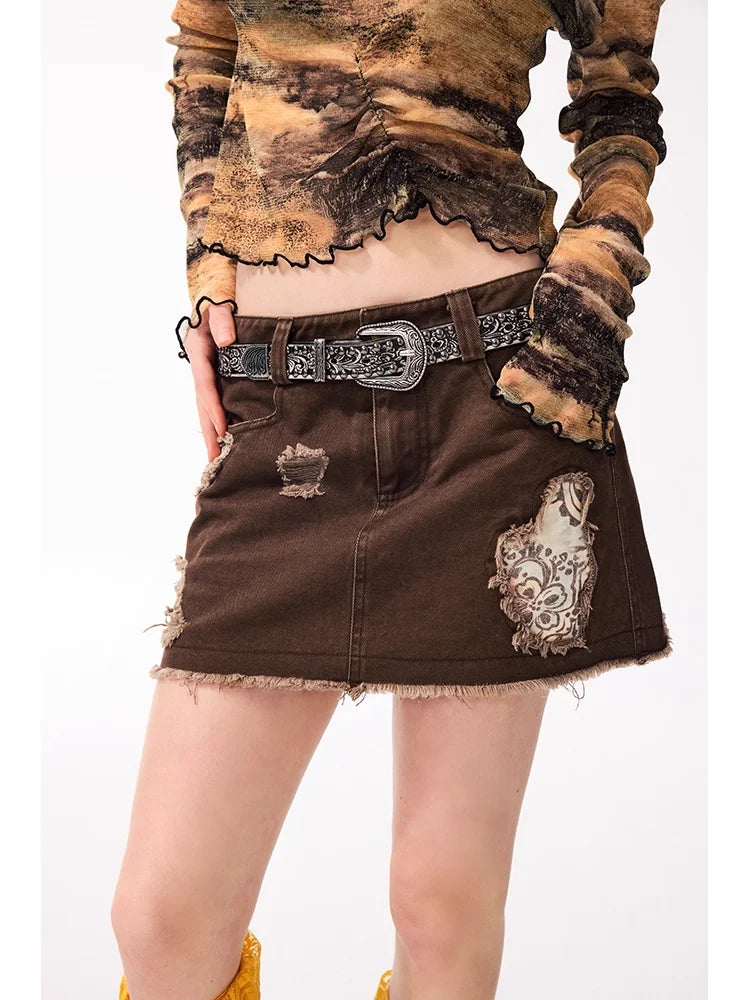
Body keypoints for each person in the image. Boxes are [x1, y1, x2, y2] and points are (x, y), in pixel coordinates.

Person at [111, 2, 672, 998]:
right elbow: (208, 48)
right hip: (281, 402)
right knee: (161, 917)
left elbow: (620, 101)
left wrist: (589, 305)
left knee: (439, 901)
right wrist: (210, 266)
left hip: (497, 395)